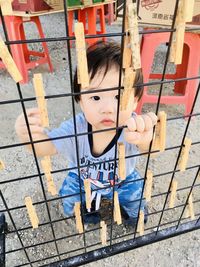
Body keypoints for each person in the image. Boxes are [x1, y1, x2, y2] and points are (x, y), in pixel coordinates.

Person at [15, 41, 157, 227]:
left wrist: (146, 140)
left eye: (118, 97)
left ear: (135, 101)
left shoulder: (134, 126)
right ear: (80, 101)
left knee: (135, 197)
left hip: (123, 180)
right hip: (83, 179)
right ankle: (86, 211)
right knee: (69, 199)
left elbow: (152, 150)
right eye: (95, 97)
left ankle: (133, 215)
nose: (107, 109)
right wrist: (30, 137)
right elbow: (47, 147)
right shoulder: (76, 128)